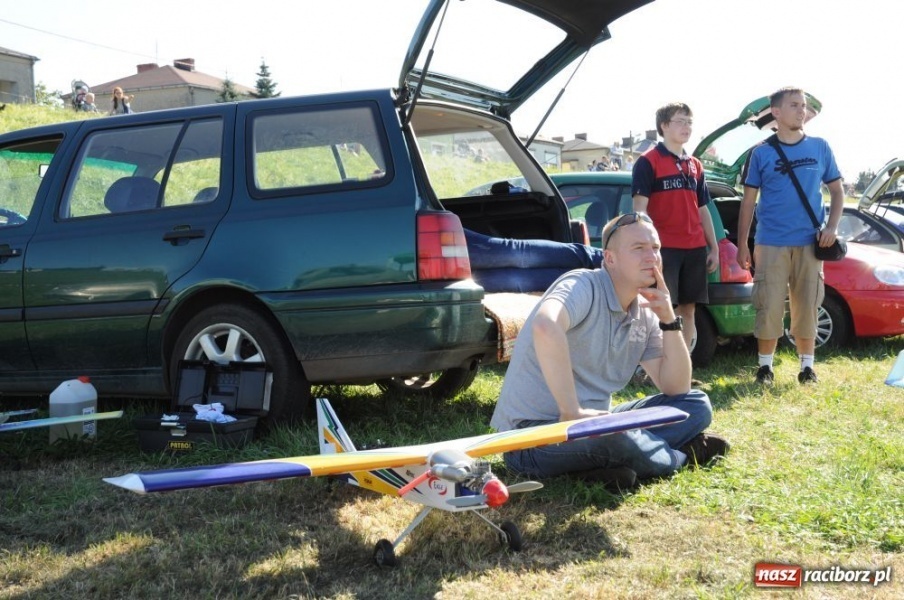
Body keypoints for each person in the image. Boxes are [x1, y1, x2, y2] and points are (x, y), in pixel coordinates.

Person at [490, 213, 730, 490]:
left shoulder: (646, 312)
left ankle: (611, 467)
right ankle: (680, 457)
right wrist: (571, 411)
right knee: (619, 438)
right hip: (532, 438)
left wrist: (668, 319)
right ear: (610, 259)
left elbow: (676, 388)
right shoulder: (582, 285)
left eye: (655, 248)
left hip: (596, 424)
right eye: (638, 248)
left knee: (696, 405)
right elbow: (545, 326)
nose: (651, 258)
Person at [736, 87, 844, 385]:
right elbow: (748, 201)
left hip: (810, 241)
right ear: (777, 112)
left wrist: (832, 228)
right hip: (770, 241)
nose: (802, 110)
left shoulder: (820, 147)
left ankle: (807, 368)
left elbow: (837, 191)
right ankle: (765, 368)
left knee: (807, 304)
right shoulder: (761, 152)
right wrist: (743, 243)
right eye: (794, 105)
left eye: (804, 105)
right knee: (768, 303)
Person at [632, 103, 719, 352]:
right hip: (664, 249)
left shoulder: (695, 165)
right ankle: (655, 365)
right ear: (664, 126)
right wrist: (647, 248)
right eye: (680, 121)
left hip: (694, 248)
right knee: (660, 307)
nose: (687, 127)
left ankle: (683, 366)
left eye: (690, 122)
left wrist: (713, 247)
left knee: (689, 309)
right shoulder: (648, 161)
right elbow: (639, 210)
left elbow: (703, 209)